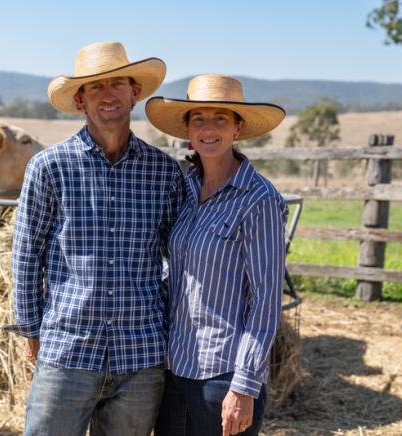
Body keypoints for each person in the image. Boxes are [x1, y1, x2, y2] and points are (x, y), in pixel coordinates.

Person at [6, 41, 185, 436]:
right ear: (81, 99)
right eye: (97, 87)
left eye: (117, 84)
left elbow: (181, 258)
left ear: (135, 92)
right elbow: (26, 254)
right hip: (67, 347)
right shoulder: (48, 167)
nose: (108, 96)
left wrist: (165, 324)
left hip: (140, 354)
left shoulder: (163, 173)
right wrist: (31, 329)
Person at [146, 74, 288, 436]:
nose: (208, 128)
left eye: (220, 119)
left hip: (223, 374)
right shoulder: (187, 189)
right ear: (188, 132)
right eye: (199, 120)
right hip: (175, 366)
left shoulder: (259, 200)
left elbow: (266, 300)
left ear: (237, 129)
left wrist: (244, 386)